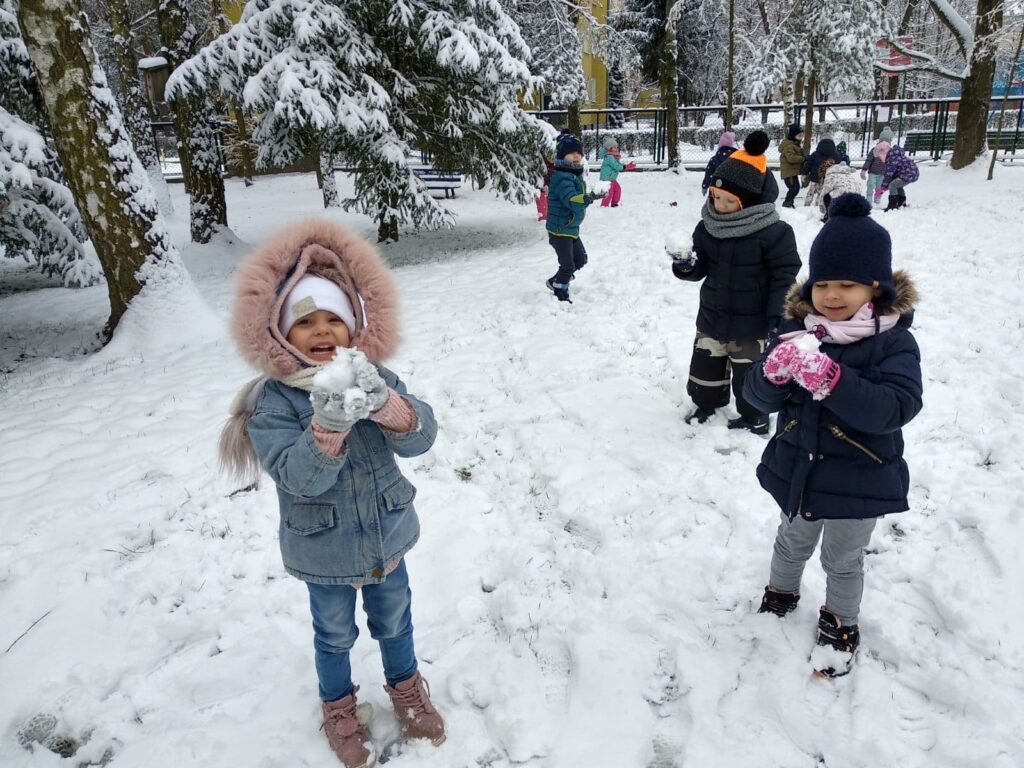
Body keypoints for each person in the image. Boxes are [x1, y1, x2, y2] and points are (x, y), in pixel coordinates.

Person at [219, 219, 445, 767]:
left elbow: (422, 438)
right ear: (279, 332)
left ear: (352, 327)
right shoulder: (273, 403)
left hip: (386, 536)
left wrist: (388, 407)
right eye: (305, 322)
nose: (321, 332)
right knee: (334, 633)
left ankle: (405, 687)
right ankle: (338, 705)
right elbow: (299, 478)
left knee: (396, 620)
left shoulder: (372, 376)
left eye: (332, 320)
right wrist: (328, 426)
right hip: (324, 550)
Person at [744, 193, 923, 678]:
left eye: (848, 284)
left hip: (858, 479)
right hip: (799, 468)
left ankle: (840, 621)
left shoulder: (893, 342)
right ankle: (781, 591)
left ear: (876, 288)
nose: (833, 295)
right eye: (823, 283)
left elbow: (896, 408)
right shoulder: (796, 331)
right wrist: (772, 375)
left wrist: (833, 381)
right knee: (790, 541)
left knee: (842, 559)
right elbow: (759, 402)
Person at [670, 130, 801, 434]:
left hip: (751, 323)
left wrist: (778, 316)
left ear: (749, 201)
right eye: (715, 197)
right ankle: (706, 403)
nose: (719, 204)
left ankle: (754, 416)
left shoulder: (774, 232)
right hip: (713, 315)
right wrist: (686, 266)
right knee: (705, 367)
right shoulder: (708, 226)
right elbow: (701, 265)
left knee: (750, 375)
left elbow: (784, 277)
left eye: (729, 200)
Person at [546, 134, 600, 302]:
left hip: (570, 228)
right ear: (562, 156)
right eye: (571, 152)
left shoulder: (574, 174)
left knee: (580, 259)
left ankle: (554, 281)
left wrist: (590, 196)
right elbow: (572, 201)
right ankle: (560, 292)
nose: (577, 155)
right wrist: (588, 197)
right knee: (568, 266)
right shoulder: (562, 177)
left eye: (579, 152)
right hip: (560, 230)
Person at [875, 143, 920, 211]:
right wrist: (885, 187)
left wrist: (883, 187)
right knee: (897, 184)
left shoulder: (892, 159)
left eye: (880, 157)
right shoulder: (894, 156)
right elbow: (892, 175)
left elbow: (889, 174)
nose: (880, 159)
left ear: (883, 153)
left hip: (908, 174)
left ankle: (893, 205)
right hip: (911, 173)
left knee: (893, 185)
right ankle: (901, 202)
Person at [802, 138, 841, 208]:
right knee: (822, 192)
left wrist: (804, 173)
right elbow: (838, 166)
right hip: (828, 178)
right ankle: (818, 205)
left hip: (815, 177)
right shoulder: (836, 155)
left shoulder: (815, 154)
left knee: (811, 191)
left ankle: (807, 204)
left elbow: (808, 164)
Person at [598, 139, 636, 208]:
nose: (616, 149)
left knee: (617, 189)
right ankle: (604, 206)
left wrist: (626, 165)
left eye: (616, 147)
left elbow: (618, 164)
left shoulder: (613, 156)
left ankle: (614, 203)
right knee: (608, 193)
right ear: (609, 148)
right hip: (607, 178)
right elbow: (616, 166)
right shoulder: (609, 157)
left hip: (611, 178)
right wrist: (626, 167)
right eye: (614, 147)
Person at [778, 123, 805, 208]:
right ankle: (787, 203)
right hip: (789, 172)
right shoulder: (789, 145)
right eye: (799, 136)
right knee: (794, 188)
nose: (801, 138)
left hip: (792, 171)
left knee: (795, 188)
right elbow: (791, 158)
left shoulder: (794, 145)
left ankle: (789, 202)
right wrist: (803, 159)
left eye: (802, 136)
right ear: (793, 136)